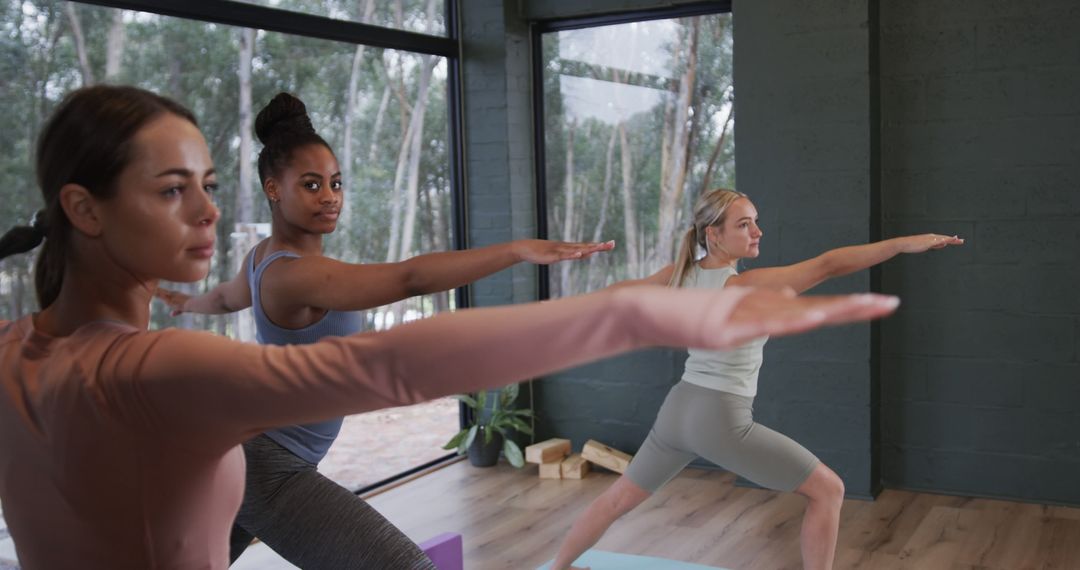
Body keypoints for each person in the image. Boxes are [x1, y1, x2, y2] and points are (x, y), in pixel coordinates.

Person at [0, 85, 898, 569]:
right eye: (171, 189)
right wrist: (614, 311)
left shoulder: (23, 351)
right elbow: (396, 345)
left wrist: (174, 296)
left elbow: (224, 302)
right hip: (268, 460)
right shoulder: (163, 367)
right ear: (83, 208)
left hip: (251, 466)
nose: (204, 208)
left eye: (204, 181)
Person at [152, 91, 617, 568]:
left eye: (336, 183)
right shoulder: (295, 275)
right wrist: (516, 250)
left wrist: (183, 301)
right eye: (311, 185)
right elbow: (408, 278)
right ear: (273, 188)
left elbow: (226, 297)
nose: (330, 196)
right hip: (266, 464)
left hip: (249, 451)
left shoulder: (262, 260)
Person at [549, 188, 962, 570]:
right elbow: (829, 264)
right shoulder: (742, 285)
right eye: (744, 224)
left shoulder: (678, 274)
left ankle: (559, 566)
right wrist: (904, 244)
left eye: (755, 220)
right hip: (719, 417)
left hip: (679, 408)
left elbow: (619, 294)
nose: (757, 231)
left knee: (619, 498)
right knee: (829, 490)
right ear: (713, 234)